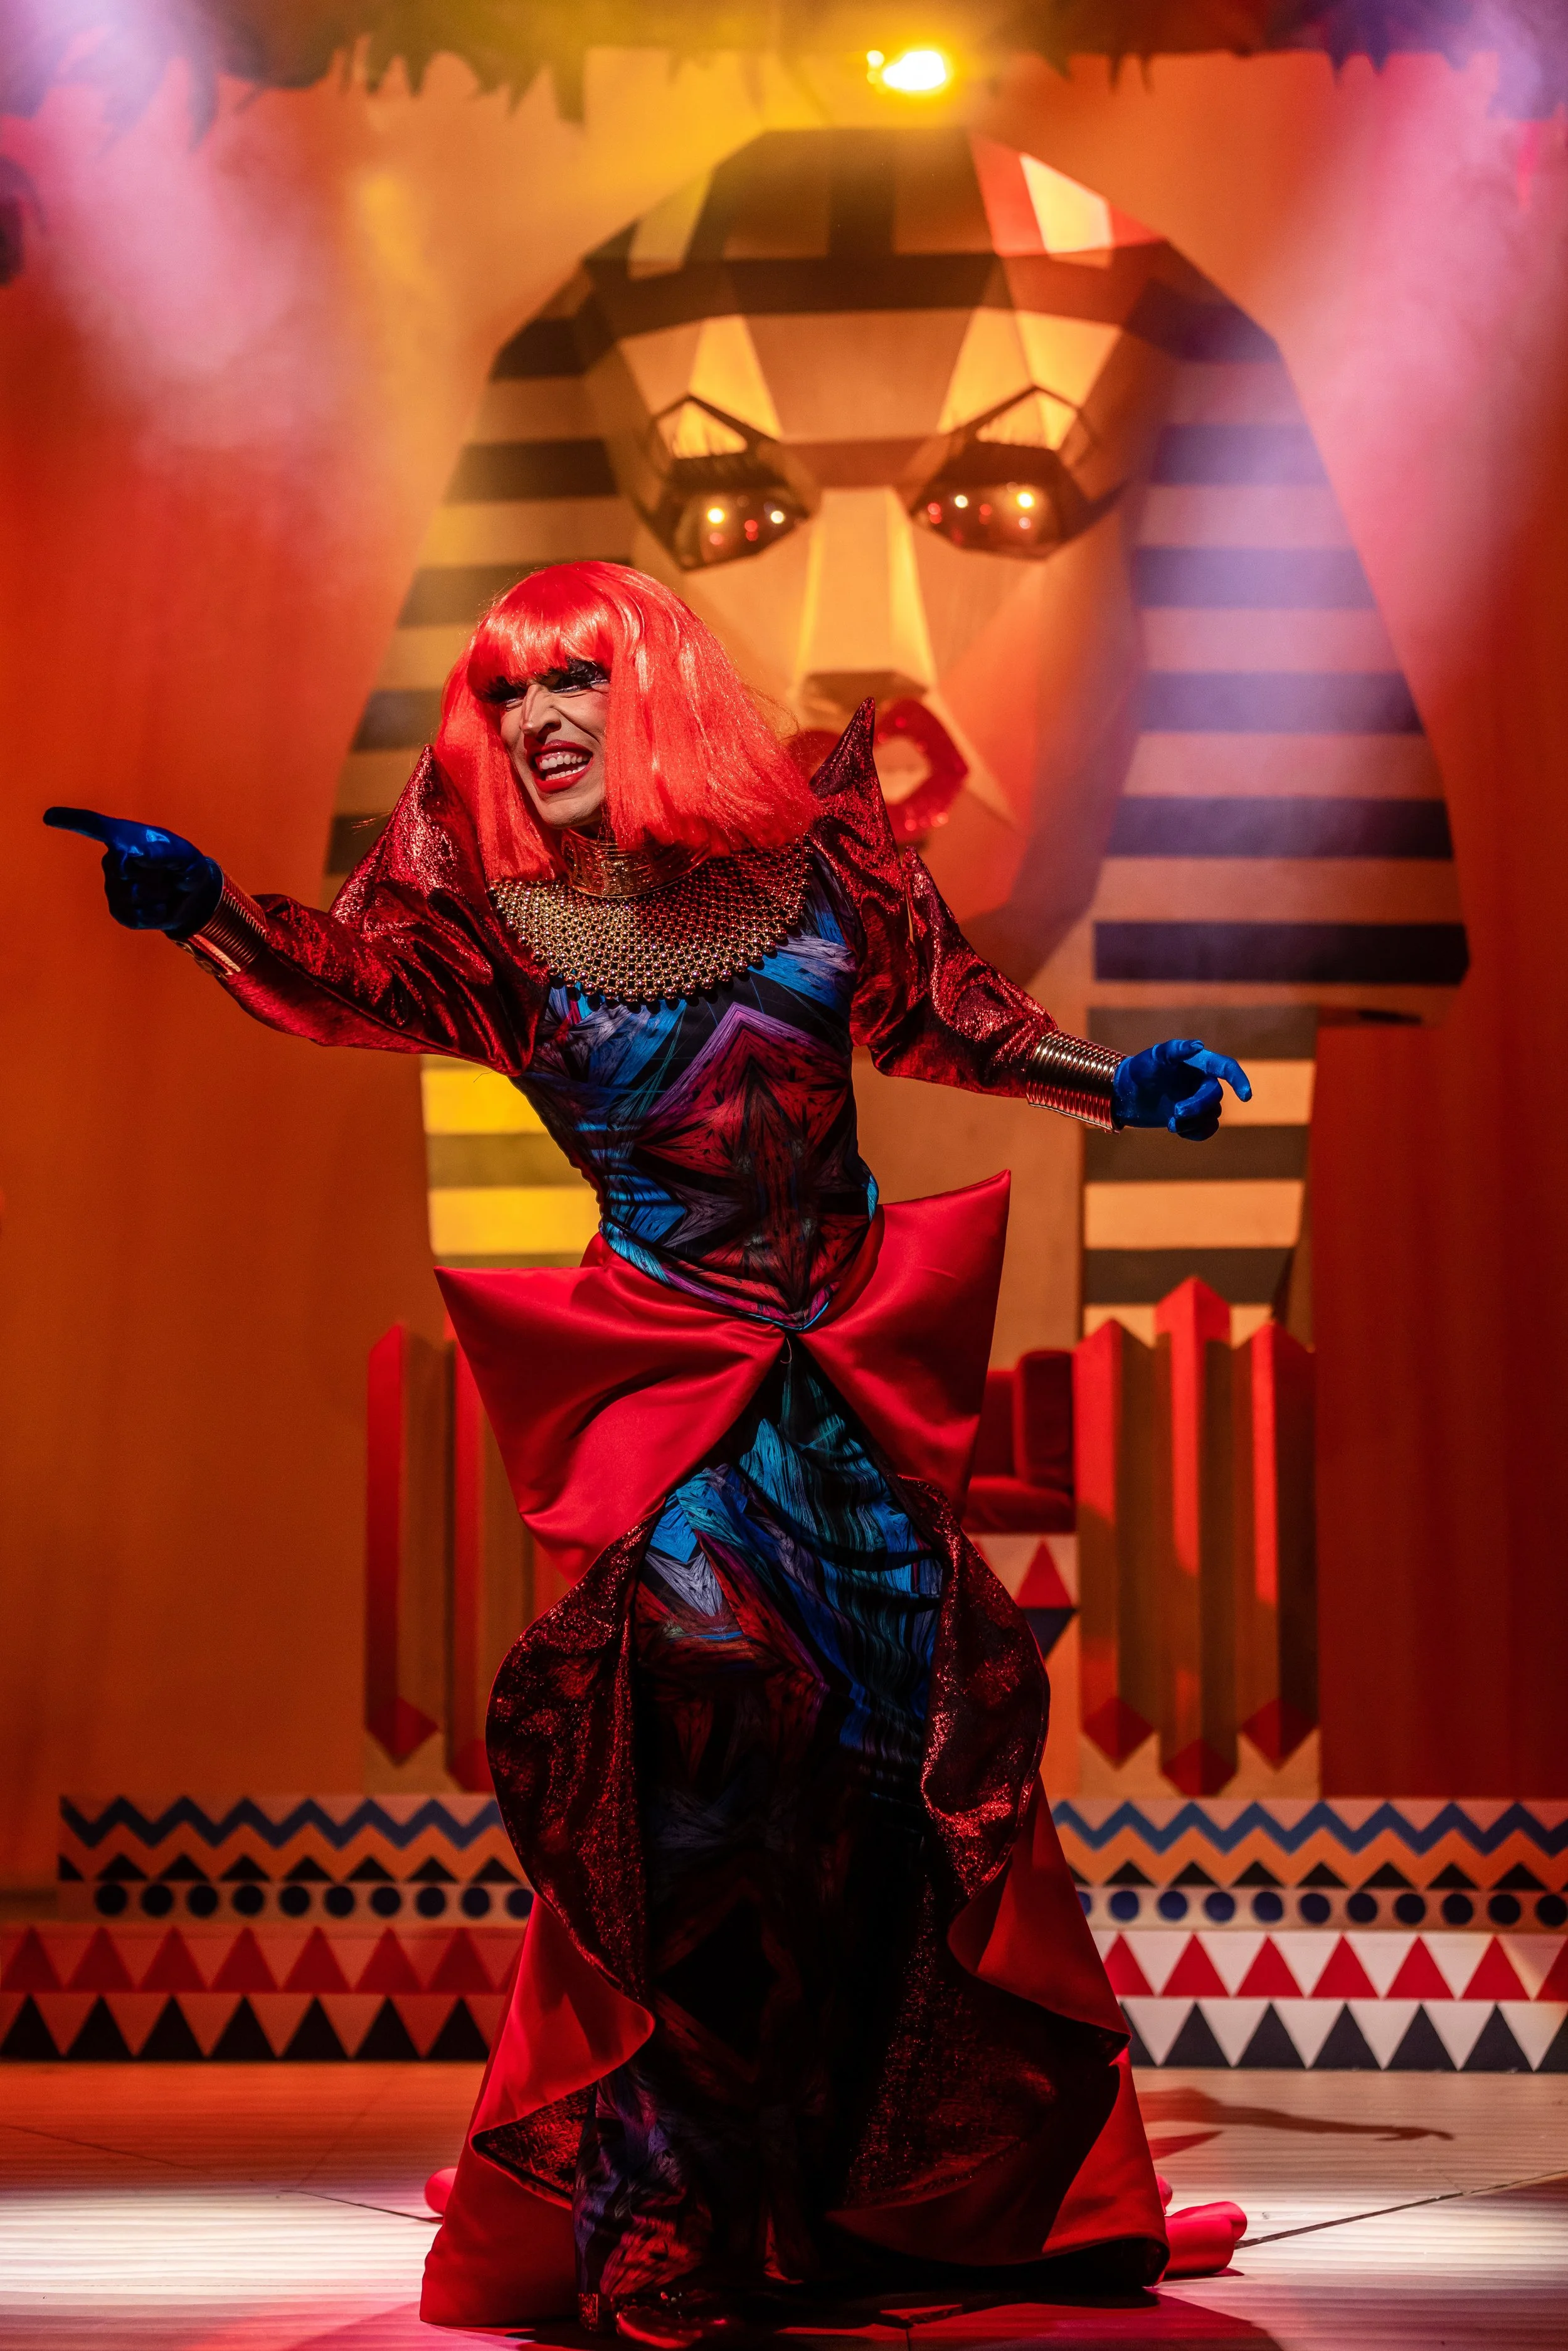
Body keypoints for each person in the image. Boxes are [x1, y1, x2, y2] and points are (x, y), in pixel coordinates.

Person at [46, 561, 1250, 2340]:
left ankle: (860, 2198)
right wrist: (211, 912)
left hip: (837, 1390)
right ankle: (659, 2225)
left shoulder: (818, 858)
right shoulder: (497, 925)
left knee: (884, 1781)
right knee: (691, 1750)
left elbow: (942, 1011)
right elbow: (343, 981)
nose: (536, 719)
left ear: (658, 689)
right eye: (507, 691)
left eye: (574, 682)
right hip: (669, 1389)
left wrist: (1111, 1082)